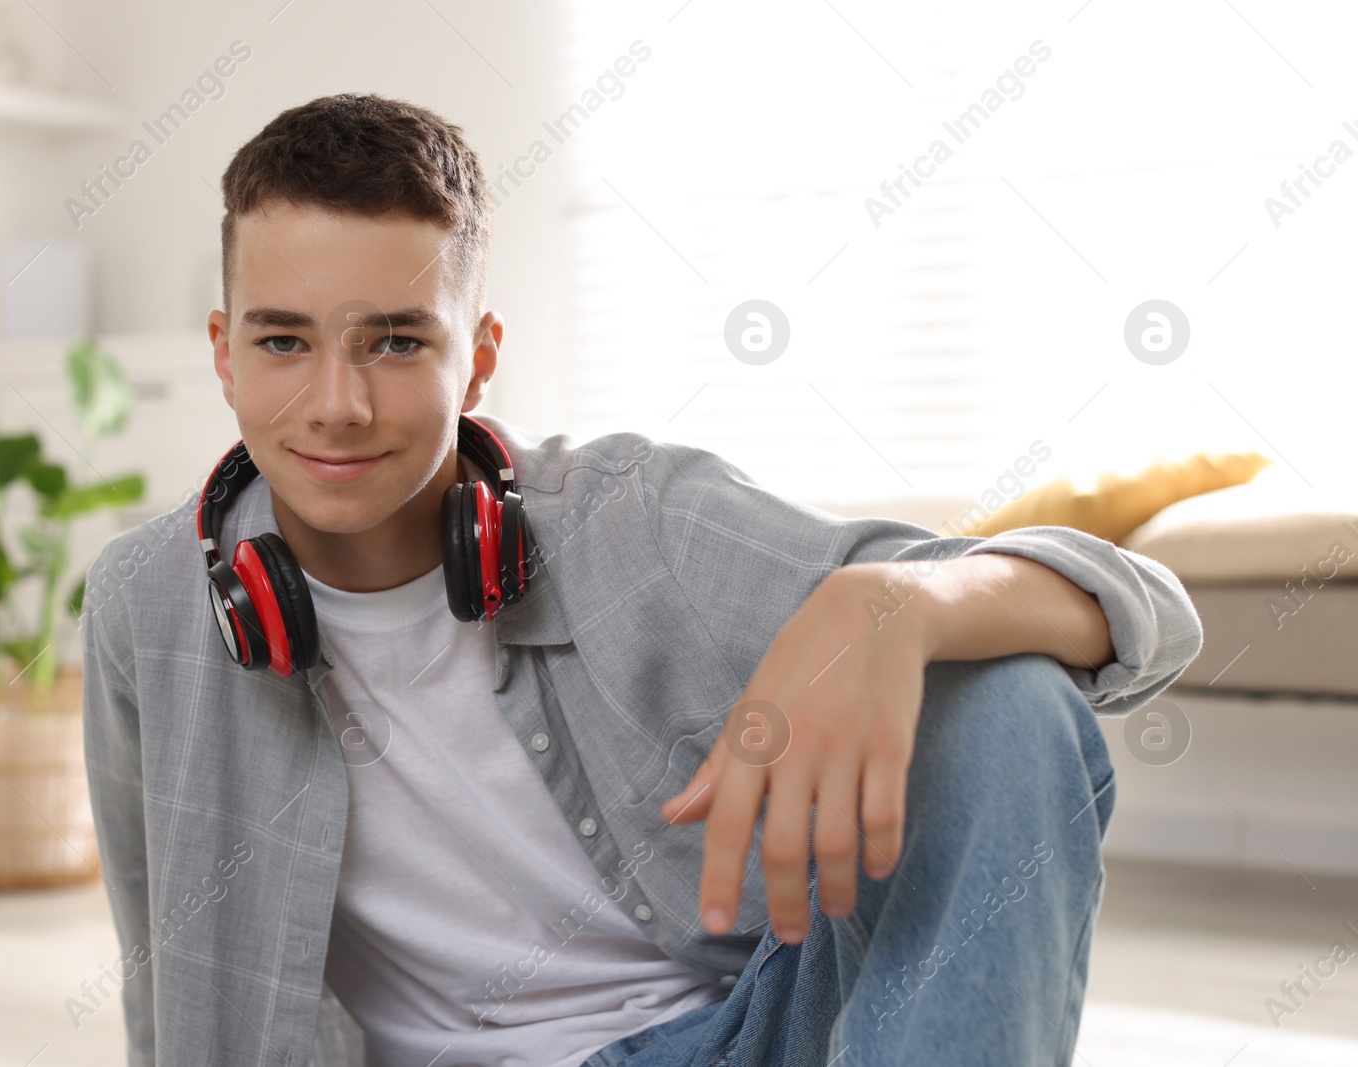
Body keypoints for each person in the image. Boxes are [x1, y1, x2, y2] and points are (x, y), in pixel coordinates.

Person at [80, 93, 1204, 1067]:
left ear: (477, 357)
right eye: (285, 343)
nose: (336, 402)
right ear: (223, 350)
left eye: (395, 342)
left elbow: (1143, 609)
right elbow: (167, 965)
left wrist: (887, 602)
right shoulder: (146, 604)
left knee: (1006, 698)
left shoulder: (628, 515)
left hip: (735, 1035)